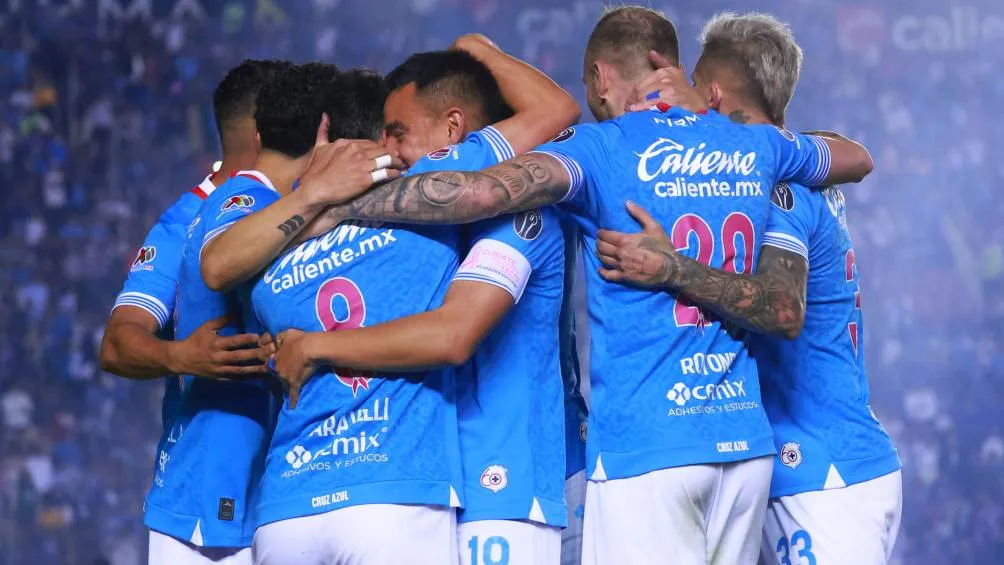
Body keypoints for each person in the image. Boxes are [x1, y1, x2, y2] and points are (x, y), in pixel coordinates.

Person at [289, 6, 875, 565]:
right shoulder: (759, 145)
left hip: (647, 444)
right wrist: (711, 118)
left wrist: (342, 205)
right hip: (744, 443)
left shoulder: (599, 148)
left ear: (598, 76)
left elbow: (483, 193)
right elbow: (855, 156)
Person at [206, 35, 583, 565]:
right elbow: (556, 109)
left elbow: (217, 266)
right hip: (403, 489)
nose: (391, 146)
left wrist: (317, 206)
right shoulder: (430, 184)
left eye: (399, 131)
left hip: (306, 500)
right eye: (383, 133)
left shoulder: (279, 239)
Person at [594, 13, 902, 565]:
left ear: (708, 92)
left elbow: (783, 309)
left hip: (819, 472)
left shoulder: (780, 189)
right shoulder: (794, 168)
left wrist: (672, 268)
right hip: (816, 461)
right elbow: (853, 155)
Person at [157, 63, 395, 565]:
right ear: (327, 132)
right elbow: (218, 265)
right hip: (215, 495)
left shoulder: (276, 205)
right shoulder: (245, 201)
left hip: (262, 485)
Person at [98, 59, 288, 565]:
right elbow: (117, 343)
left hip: (298, 487)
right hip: (206, 505)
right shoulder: (182, 222)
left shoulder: (300, 202)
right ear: (265, 131)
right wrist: (183, 355)